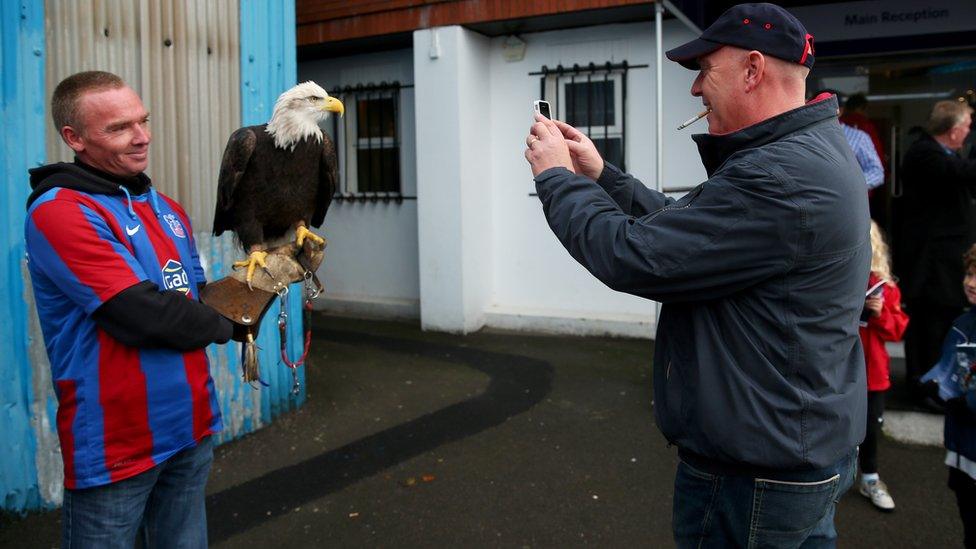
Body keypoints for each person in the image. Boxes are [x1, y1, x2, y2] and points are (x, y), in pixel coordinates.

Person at [525, 3, 869, 546]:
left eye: (704, 71)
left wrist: (557, 180)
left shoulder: (778, 173)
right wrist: (603, 175)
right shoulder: (807, 152)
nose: (694, 90)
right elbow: (696, 236)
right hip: (794, 450)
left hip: (754, 476)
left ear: (753, 70)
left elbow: (635, 256)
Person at [24, 71, 242, 548]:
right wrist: (229, 325)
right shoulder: (60, 210)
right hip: (117, 442)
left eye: (143, 121)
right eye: (119, 127)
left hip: (191, 425)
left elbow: (194, 300)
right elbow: (140, 314)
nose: (142, 137)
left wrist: (267, 277)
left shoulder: (165, 207)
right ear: (74, 138)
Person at [898, 100, 976, 404]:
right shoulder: (925, 154)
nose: (968, 134)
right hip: (931, 267)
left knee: (940, 325)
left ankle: (936, 382)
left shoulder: (941, 155)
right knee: (929, 327)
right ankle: (925, 386)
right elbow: (964, 174)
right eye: (967, 127)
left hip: (943, 265)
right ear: (954, 130)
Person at [921, 244, 976, 548]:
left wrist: (967, 402)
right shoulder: (963, 323)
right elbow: (949, 369)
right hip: (962, 448)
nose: (971, 282)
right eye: (969, 273)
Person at [857, 221, 909, 511]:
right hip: (839, 371)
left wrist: (879, 314)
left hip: (874, 374)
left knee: (870, 428)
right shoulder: (835, 280)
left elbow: (897, 331)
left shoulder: (885, 288)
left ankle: (870, 476)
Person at [840, 93, 885, 172]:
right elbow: (877, 153)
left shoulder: (838, 124)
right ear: (861, 108)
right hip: (863, 174)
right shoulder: (866, 125)